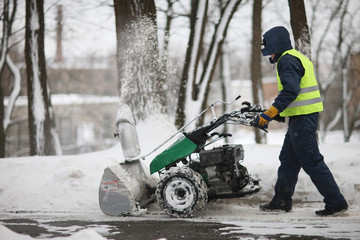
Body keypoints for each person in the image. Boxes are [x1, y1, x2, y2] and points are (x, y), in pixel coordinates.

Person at [254, 26, 348, 216]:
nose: (269, 55)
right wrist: (280, 114)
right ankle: (281, 200)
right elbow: (296, 94)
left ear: (277, 45)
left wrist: (270, 113)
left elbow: (291, 90)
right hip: (301, 117)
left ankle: (336, 202)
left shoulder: (287, 60)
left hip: (304, 119)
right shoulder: (294, 57)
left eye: (270, 49)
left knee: (311, 160)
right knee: (288, 160)